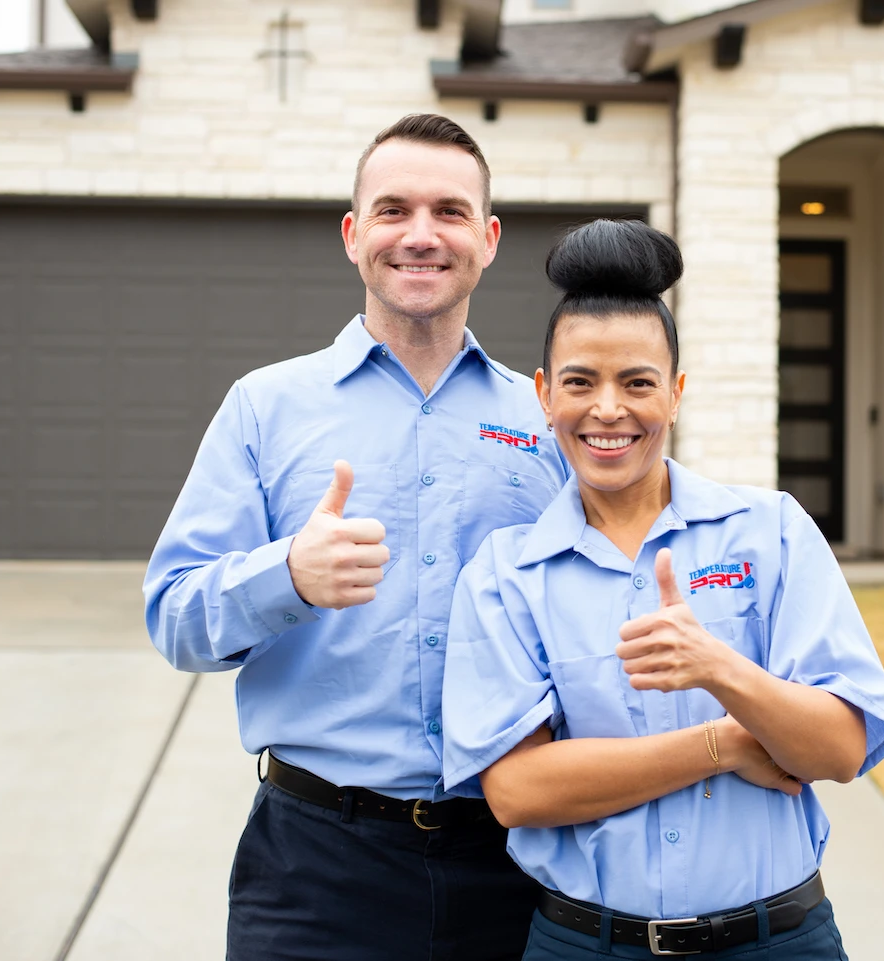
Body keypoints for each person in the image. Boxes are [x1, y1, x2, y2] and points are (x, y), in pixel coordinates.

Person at [143, 114, 572, 961]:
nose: (421, 235)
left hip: (517, 858)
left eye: (450, 212)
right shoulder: (265, 407)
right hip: (315, 866)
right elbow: (173, 616)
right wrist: (286, 578)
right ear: (352, 235)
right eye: (392, 210)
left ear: (488, 239)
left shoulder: (549, 418)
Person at [441, 219, 884, 960]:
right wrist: (723, 743)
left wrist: (721, 668)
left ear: (677, 393)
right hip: (586, 944)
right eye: (581, 382)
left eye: (638, 382)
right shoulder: (507, 573)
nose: (609, 409)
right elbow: (520, 790)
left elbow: (842, 747)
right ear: (544, 395)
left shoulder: (770, 532)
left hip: (775, 940)